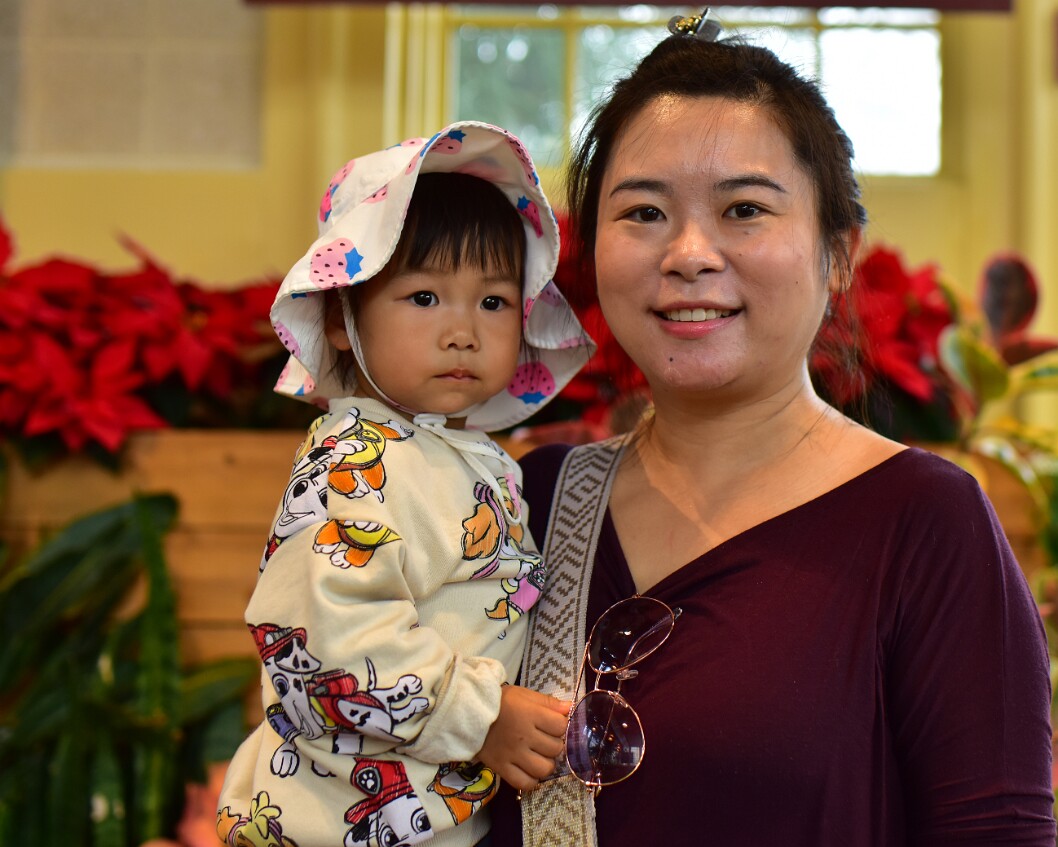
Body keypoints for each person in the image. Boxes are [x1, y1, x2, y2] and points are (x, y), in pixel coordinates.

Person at [493, 11, 1056, 846]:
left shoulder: (928, 526)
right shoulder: (527, 502)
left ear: (838, 254)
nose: (688, 252)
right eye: (643, 212)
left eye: (745, 209)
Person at [217, 121, 594, 847]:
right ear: (338, 316)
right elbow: (332, 637)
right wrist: (481, 714)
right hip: (331, 822)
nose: (463, 331)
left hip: (429, 814)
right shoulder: (353, 463)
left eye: (493, 302)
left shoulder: (468, 455)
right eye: (424, 298)